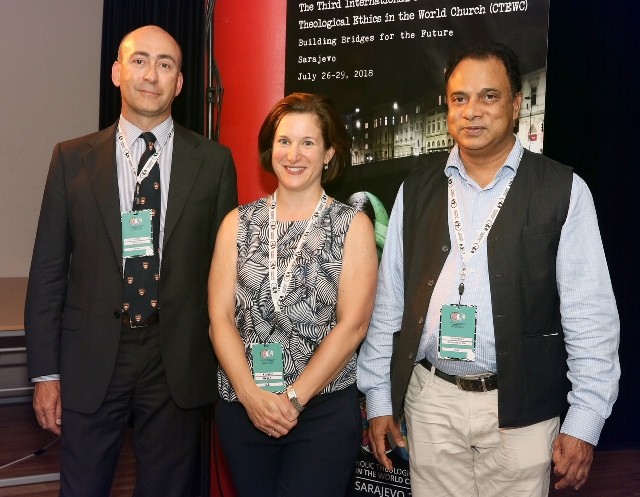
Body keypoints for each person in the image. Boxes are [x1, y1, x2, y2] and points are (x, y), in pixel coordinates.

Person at [357, 42, 620, 497]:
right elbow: (389, 303)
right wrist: (379, 396)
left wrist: (585, 421)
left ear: (516, 104)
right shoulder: (416, 191)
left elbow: (589, 316)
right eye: (460, 98)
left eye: (489, 96)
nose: (472, 111)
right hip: (431, 402)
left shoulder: (564, 191)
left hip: (522, 412)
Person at [25, 25, 237, 496]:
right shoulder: (70, 160)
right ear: (117, 72)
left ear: (179, 83)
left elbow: (226, 275)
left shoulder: (214, 163)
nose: (151, 75)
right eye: (139, 61)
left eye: (166, 64)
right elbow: (48, 273)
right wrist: (45, 372)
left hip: (178, 361)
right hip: (91, 355)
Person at [208, 92, 377, 497]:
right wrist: (251, 396)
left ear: (328, 153)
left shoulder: (351, 226)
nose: (294, 154)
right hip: (244, 408)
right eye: (284, 141)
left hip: (321, 411)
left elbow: (352, 326)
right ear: (270, 149)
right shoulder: (238, 223)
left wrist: (294, 399)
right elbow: (219, 320)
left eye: (308, 142)